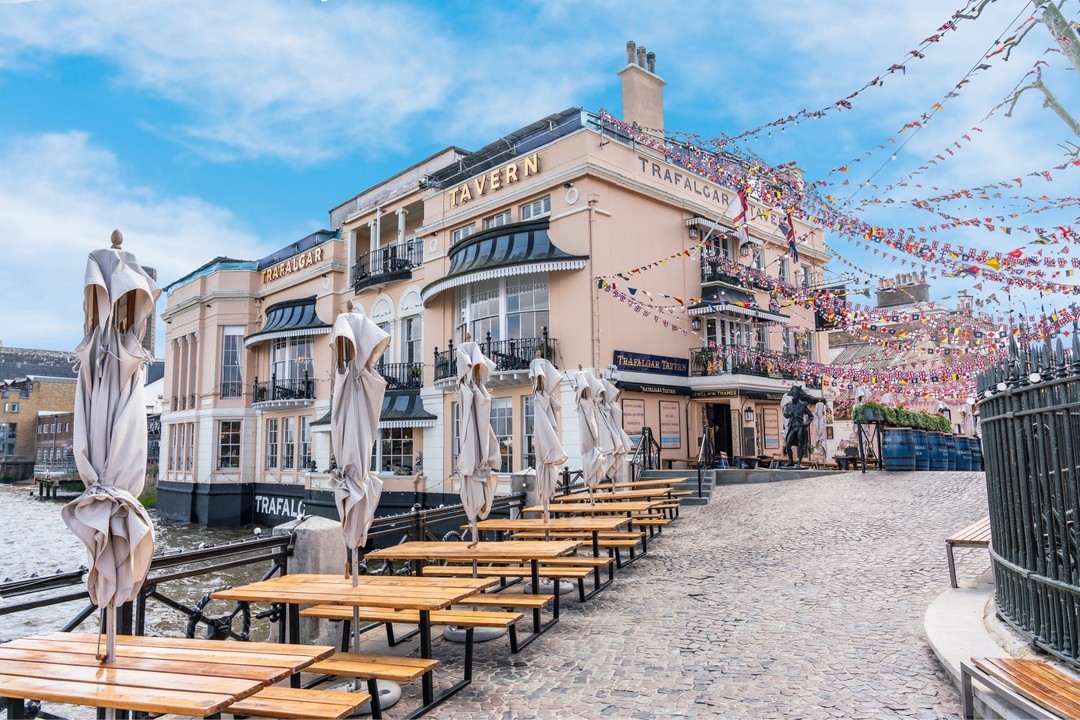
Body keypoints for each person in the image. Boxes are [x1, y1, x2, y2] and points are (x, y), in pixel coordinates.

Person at [782, 385, 815, 467]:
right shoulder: (789, 405)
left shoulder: (803, 405)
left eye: (795, 394)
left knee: (800, 444)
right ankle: (791, 461)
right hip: (792, 426)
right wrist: (788, 414)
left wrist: (807, 423)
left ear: (798, 395)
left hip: (800, 426)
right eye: (793, 394)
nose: (794, 396)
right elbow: (785, 414)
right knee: (787, 444)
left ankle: (799, 461)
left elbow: (811, 416)